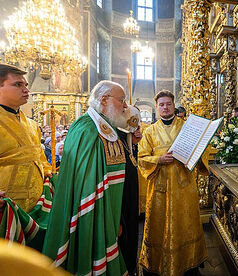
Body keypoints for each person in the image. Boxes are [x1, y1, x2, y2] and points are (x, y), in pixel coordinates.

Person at [43, 80, 142, 275]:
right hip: (100, 214)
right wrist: (110, 221)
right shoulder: (87, 128)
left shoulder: (105, 125)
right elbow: (88, 184)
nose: (125, 106)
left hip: (117, 211)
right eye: (121, 100)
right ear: (104, 99)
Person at [138, 89, 207, 276]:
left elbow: (201, 151)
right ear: (157, 107)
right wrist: (158, 160)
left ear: (173, 105)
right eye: (161, 105)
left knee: (186, 223)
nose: (165, 107)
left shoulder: (187, 127)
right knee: (158, 225)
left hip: (183, 186)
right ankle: (158, 262)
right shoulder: (150, 131)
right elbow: (141, 158)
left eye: (168, 104)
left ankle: (188, 261)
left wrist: (194, 156)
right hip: (160, 186)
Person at [0, 63, 53, 249]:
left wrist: (48, 172)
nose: (26, 89)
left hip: (37, 204)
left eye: (25, 84)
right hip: (6, 208)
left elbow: (39, 155)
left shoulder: (31, 124)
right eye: (17, 85)